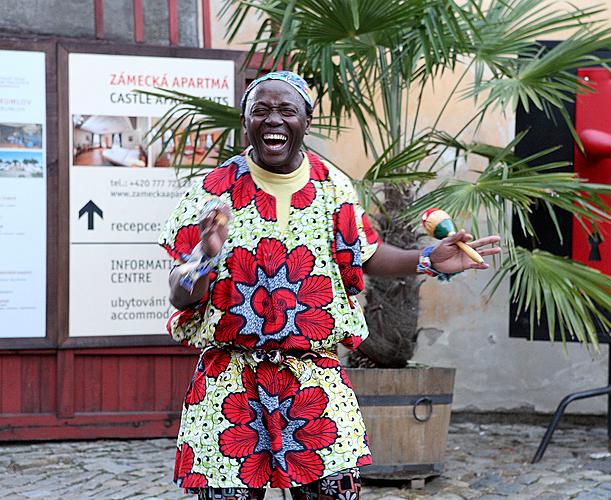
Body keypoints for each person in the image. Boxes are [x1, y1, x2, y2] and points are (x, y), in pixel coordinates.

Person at [159, 71, 501, 500]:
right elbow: (179, 291)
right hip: (229, 381)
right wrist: (205, 259)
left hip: (313, 376)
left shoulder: (333, 187)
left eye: (287, 110)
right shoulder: (211, 193)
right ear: (244, 121)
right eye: (260, 111)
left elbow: (365, 253)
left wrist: (428, 259)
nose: (273, 120)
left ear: (306, 118)